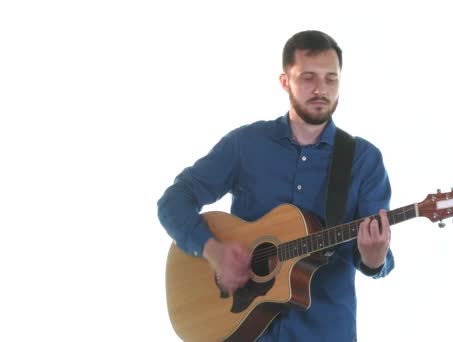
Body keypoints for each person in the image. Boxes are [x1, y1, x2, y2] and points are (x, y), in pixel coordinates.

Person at [157, 30, 394, 341]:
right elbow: (173, 201)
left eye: (331, 78)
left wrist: (374, 258)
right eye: (308, 77)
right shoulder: (246, 144)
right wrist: (212, 249)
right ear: (285, 81)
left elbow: (377, 258)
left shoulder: (363, 160)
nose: (321, 89)